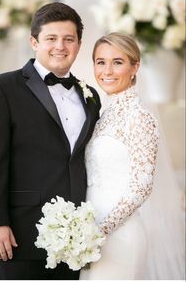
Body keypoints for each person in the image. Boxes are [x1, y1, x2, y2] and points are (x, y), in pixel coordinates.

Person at [0, 2, 101, 280]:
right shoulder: (2, 88)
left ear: (79, 44)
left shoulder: (90, 97)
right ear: (34, 41)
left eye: (69, 39)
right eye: (51, 38)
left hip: (76, 241)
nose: (60, 46)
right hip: (19, 234)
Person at [80, 32, 160, 280]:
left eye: (118, 62)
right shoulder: (103, 115)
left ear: (135, 67)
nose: (107, 71)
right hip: (89, 237)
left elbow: (142, 185)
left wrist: (100, 230)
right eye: (101, 62)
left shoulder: (140, 118)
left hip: (119, 237)